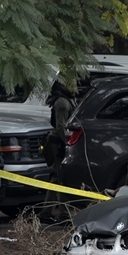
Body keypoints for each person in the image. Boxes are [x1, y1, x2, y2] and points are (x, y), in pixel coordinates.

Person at [40, 80, 76, 223]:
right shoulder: (62, 102)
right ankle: (64, 214)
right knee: (60, 177)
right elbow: (60, 126)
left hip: (60, 142)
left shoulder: (68, 100)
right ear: (62, 86)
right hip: (58, 143)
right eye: (71, 84)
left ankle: (46, 212)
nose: (75, 88)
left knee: (56, 178)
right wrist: (68, 143)